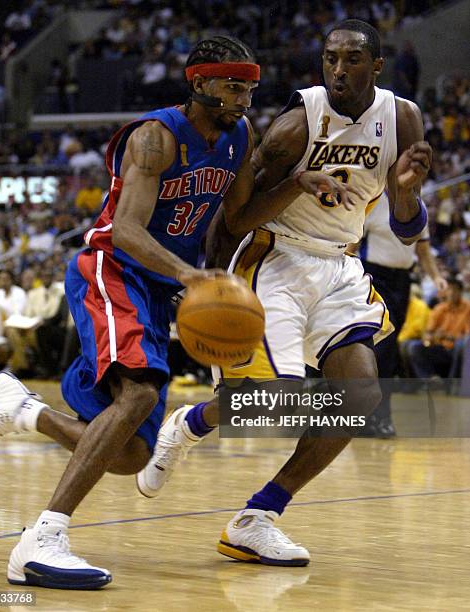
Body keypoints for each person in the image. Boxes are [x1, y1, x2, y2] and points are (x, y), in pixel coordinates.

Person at [0, 36, 350, 589]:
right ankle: (40, 541)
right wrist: (190, 274)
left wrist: (296, 184)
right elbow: (124, 228)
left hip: (159, 288)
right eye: (231, 85)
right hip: (112, 270)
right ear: (198, 83)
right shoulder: (155, 137)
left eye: (249, 87)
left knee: (129, 453)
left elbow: (240, 218)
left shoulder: (239, 136)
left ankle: (22, 410)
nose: (244, 97)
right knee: (141, 394)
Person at [137, 20, 433, 566]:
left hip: (341, 264)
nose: (339, 70)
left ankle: (257, 516)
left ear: (377, 66)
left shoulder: (402, 118)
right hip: (276, 255)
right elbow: (236, 216)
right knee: (277, 403)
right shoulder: (295, 127)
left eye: (352, 59)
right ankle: (189, 424)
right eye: (330, 59)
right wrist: (218, 280)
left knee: (360, 399)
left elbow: (410, 228)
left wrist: (408, 194)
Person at [358, 192, 447, 437]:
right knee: (383, 349)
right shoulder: (374, 201)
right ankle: (378, 417)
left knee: (388, 349)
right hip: (374, 278)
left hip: (402, 282)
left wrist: (437, 277)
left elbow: (424, 250)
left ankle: (369, 416)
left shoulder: (419, 207)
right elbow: (352, 244)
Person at [407, 277, 470, 380]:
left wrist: (450, 337)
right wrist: (432, 337)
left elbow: (467, 338)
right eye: (449, 289)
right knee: (414, 347)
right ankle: (431, 379)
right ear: (445, 292)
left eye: (455, 290)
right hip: (440, 348)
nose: (452, 293)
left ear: (461, 292)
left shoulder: (468, 309)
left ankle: (451, 383)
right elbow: (427, 334)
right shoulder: (439, 309)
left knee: (461, 346)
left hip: (457, 348)